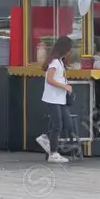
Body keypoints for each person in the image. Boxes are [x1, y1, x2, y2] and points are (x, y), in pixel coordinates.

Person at [36, 36, 74, 164]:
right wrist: (65, 86)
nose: (70, 52)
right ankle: (53, 152)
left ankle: (46, 138)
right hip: (52, 98)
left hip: (60, 98)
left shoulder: (61, 62)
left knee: (66, 124)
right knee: (57, 124)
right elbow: (50, 79)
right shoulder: (54, 63)